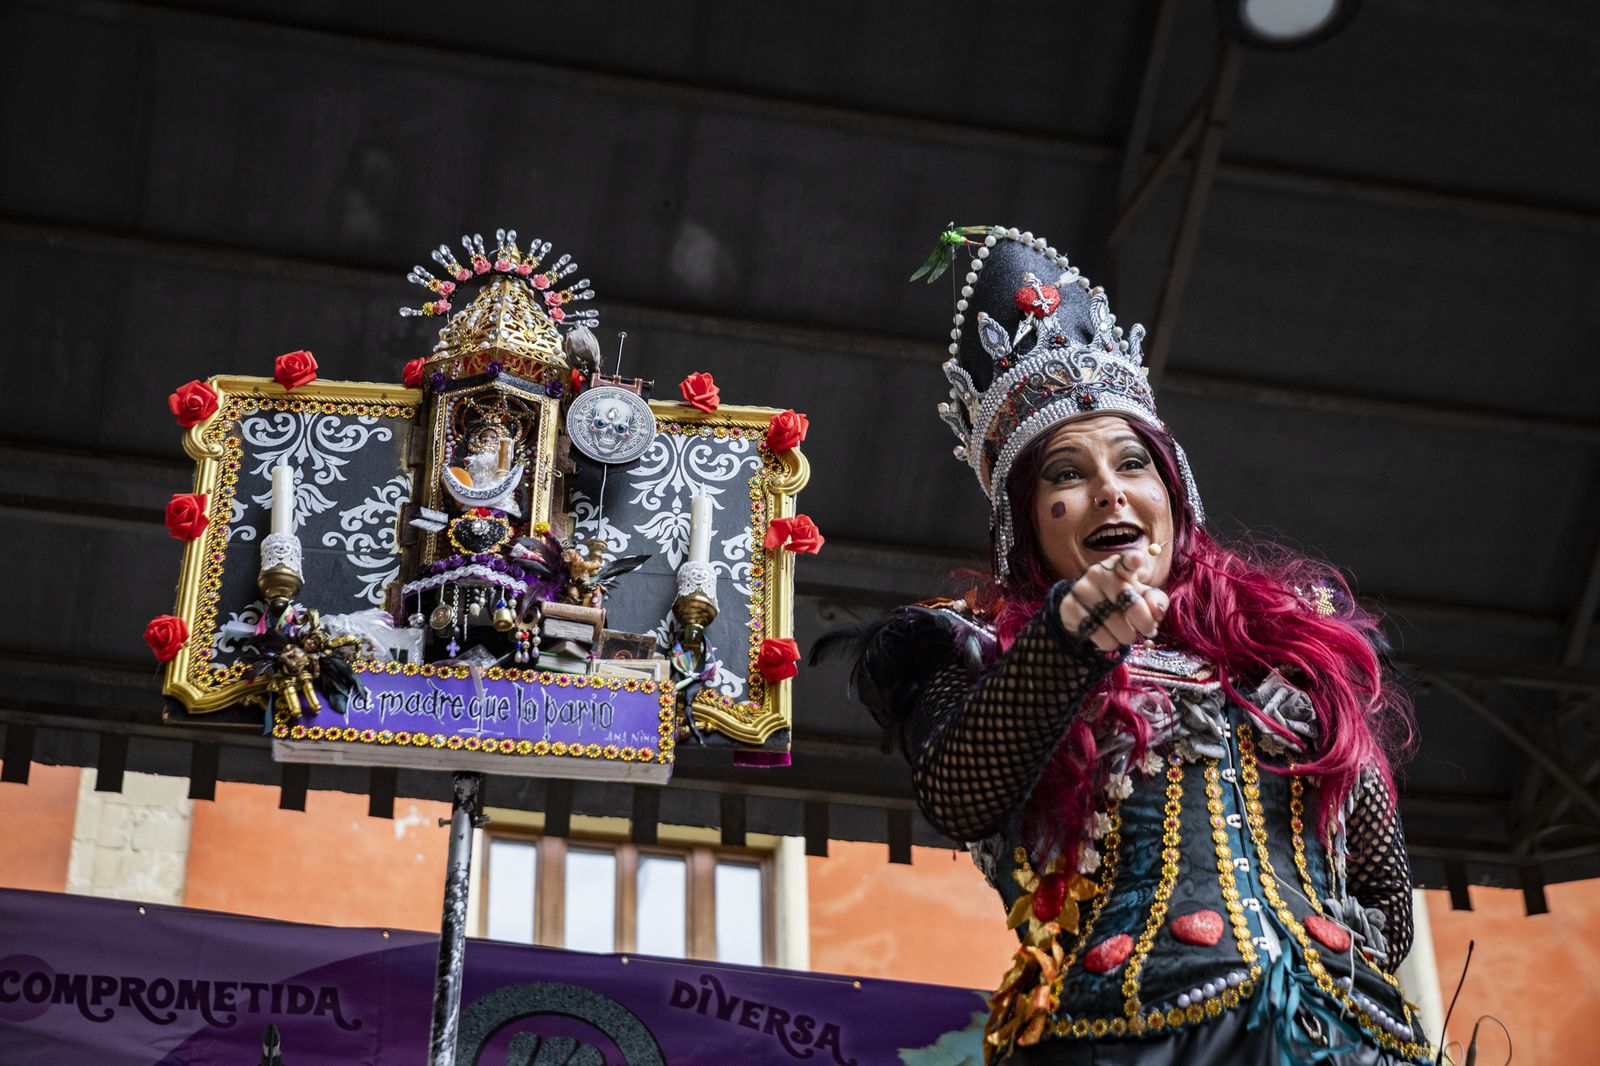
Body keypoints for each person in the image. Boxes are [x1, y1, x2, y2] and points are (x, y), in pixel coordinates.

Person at [843, 226, 1426, 1065]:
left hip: (1338, 1039)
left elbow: (1386, 903)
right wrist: (1068, 642)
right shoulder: (967, 655)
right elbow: (960, 791)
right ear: (1022, 522)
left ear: (1172, 495)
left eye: (1131, 463)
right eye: (1066, 474)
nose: (1108, 489)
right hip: (1123, 1040)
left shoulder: (1290, 656)